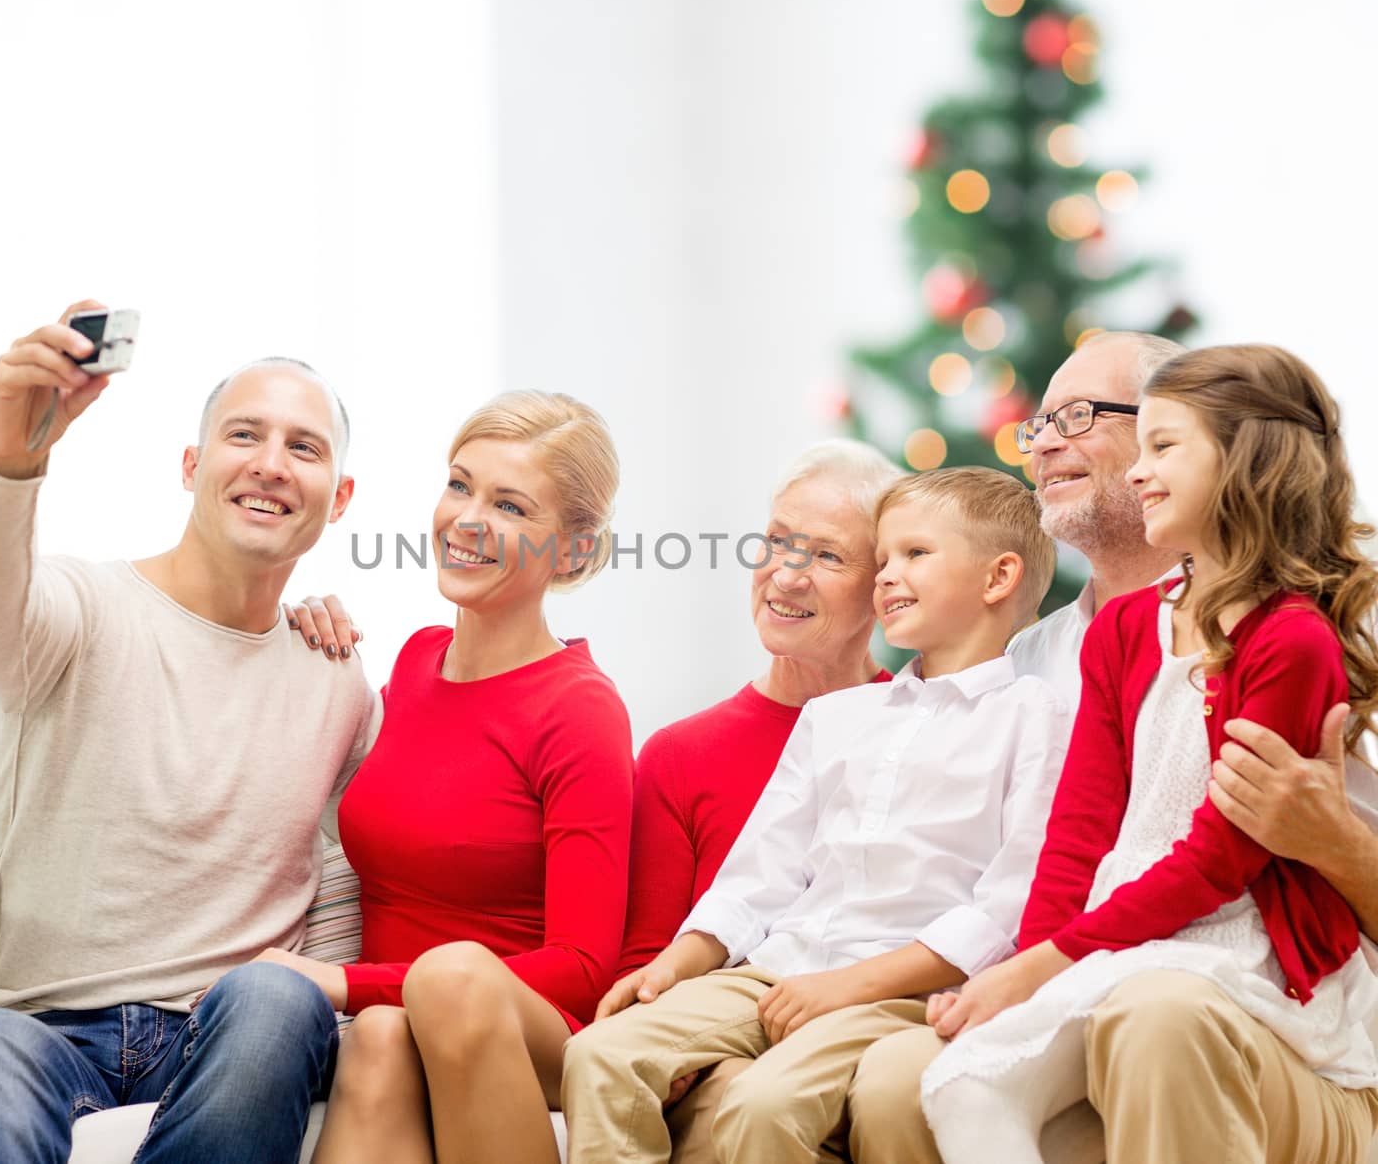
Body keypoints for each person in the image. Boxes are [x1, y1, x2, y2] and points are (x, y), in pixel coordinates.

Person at [851, 330, 1378, 1164]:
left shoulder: (1322, 637)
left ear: (1239, 459)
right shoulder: (1049, 655)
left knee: (1156, 1016)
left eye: (1082, 415)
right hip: (1098, 951)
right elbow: (1072, 838)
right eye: (1040, 421)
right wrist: (1029, 970)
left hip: (1246, 981)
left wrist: (1340, 843)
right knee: (902, 1079)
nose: (1046, 438)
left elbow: (1217, 859)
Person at [0, 302, 380, 1164]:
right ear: (193, 464)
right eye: (245, 436)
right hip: (38, 1029)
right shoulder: (79, 609)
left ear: (339, 497)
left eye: (304, 447)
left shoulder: (336, 675)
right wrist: (12, 459)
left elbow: (343, 881)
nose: (271, 465)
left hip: (229, 1032)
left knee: (282, 1001)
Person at [561, 466, 1072, 1164]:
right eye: (883, 558)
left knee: (763, 1105)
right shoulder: (835, 718)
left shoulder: (1036, 716)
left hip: (896, 990)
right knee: (599, 1055)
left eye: (913, 554)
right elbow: (758, 874)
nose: (887, 576)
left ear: (997, 577)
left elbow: (1006, 907)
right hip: (777, 968)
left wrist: (843, 986)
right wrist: (675, 964)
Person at [257, 390, 634, 1164]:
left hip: (517, 1027)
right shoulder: (415, 659)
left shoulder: (580, 707)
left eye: (511, 505)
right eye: (460, 485)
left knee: (449, 981)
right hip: (389, 1021)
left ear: (569, 551)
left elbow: (583, 968)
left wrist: (345, 984)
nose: (467, 518)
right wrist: (284, 627)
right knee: (386, 1037)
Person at [593, 439, 898, 1162]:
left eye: (826, 556)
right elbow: (645, 960)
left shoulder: (928, 730)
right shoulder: (681, 754)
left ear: (885, 585)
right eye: (776, 543)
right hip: (721, 1057)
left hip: (868, 1042)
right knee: (745, 1102)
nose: (786, 576)